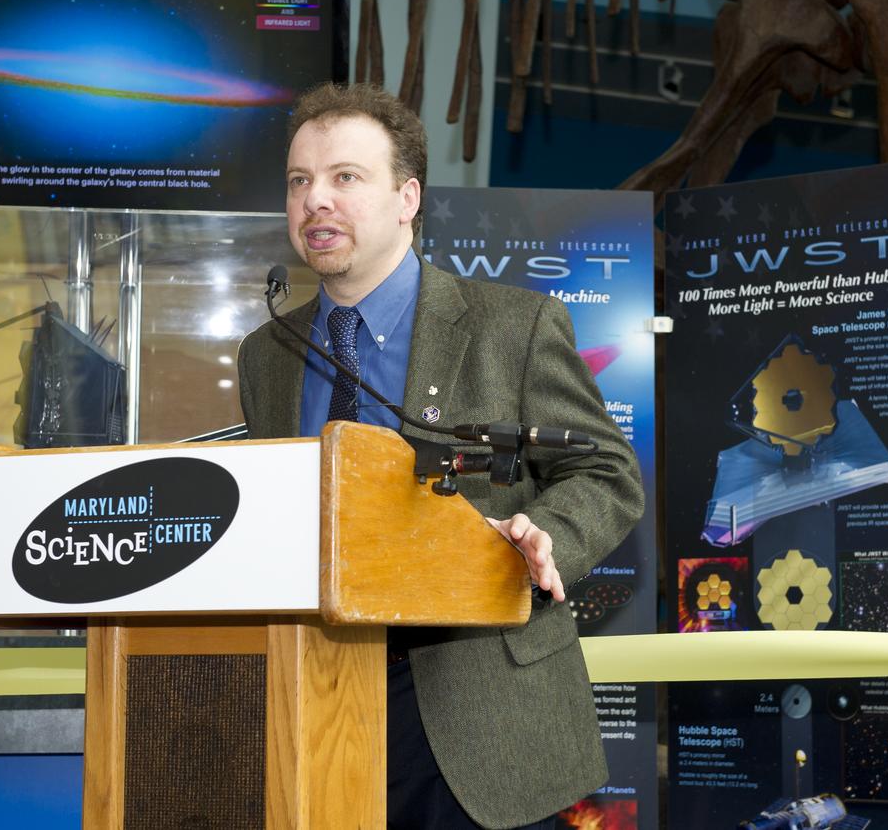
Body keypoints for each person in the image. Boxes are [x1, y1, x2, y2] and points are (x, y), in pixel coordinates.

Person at [237, 82, 644, 830]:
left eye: (344, 178)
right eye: (299, 182)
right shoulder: (267, 353)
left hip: (479, 713)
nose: (315, 200)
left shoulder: (512, 326)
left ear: (407, 197)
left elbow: (606, 472)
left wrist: (545, 536)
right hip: (317, 709)